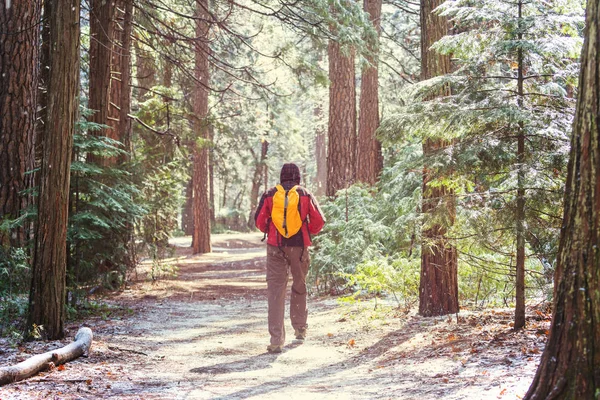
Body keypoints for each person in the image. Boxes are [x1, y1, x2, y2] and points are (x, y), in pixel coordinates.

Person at [254, 163, 325, 353]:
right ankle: (300, 328)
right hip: (299, 247)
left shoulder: (269, 194)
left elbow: (259, 221)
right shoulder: (304, 194)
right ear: (298, 177)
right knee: (299, 286)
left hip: (275, 247)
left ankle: (276, 340)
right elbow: (319, 220)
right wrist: (306, 231)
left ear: (281, 177)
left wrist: (272, 230)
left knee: (276, 292)